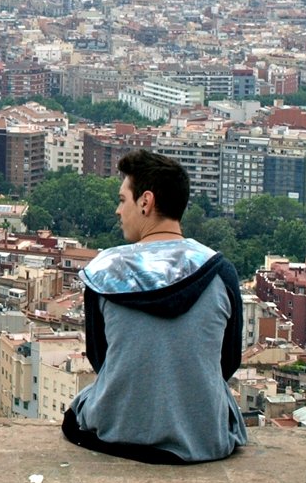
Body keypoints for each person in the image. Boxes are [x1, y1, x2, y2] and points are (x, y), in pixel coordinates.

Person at [61, 150, 247, 463]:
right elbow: (227, 363)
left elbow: (100, 360)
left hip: (117, 429)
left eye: (123, 200)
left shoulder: (104, 272)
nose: (118, 211)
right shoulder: (219, 272)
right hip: (202, 438)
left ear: (145, 202)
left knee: (81, 405)